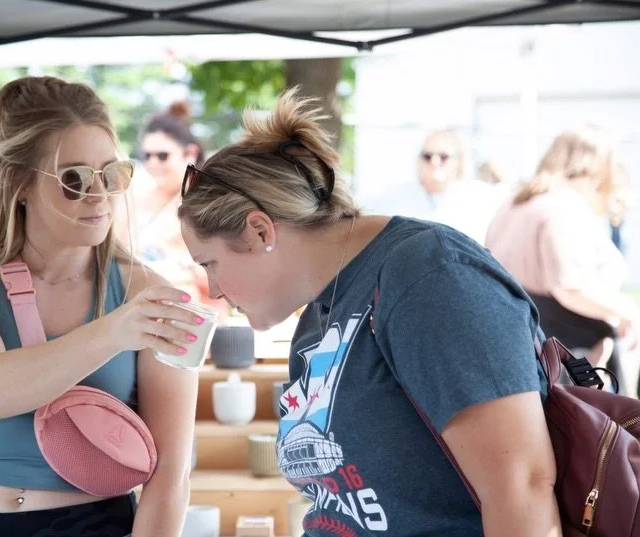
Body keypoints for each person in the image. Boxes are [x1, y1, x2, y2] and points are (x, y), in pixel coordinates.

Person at [176, 89, 561, 536]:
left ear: (260, 229)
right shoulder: (320, 315)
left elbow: (523, 489)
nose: (214, 290)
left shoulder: (430, 277)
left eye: (211, 264)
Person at [0, 76, 201, 537]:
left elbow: (171, 473)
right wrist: (113, 332)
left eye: (113, 174)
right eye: (74, 179)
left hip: (96, 524)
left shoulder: (147, 292)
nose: (100, 195)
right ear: (19, 182)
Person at [486, 127, 638, 394]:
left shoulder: (513, 203)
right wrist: (629, 312)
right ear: (595, 171)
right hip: (567, 356)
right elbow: (570, 287)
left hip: (522, 351)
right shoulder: (562, 206)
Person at [123, 102, 227, 317]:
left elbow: (229, 275)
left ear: (189, 153)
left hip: (197, 318)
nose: (153, 163)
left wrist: (179, 266)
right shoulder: (135, 201)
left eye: (162, 155)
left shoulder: (209, 203)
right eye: (146, 156)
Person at [364, 129, 503, 245]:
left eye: (443, 156)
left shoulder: (479, 198)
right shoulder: (395, 199)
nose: (435, 162)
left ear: (458, 161)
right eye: (428, 156)